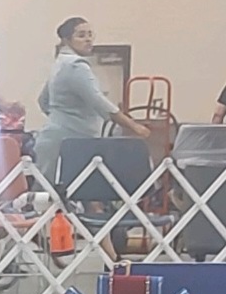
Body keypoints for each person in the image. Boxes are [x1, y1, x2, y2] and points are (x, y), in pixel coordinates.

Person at [32, 16, 149, 184]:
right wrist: (134, 126)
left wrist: (60, 118)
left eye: (90, 34)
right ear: (67, 40)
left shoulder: (60, 64)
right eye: (81, 35)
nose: (88, 40)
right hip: (72, 144)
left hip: (51, 139)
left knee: (47, 192)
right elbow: (99, 102)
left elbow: (43, 101)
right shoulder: (77, 66)